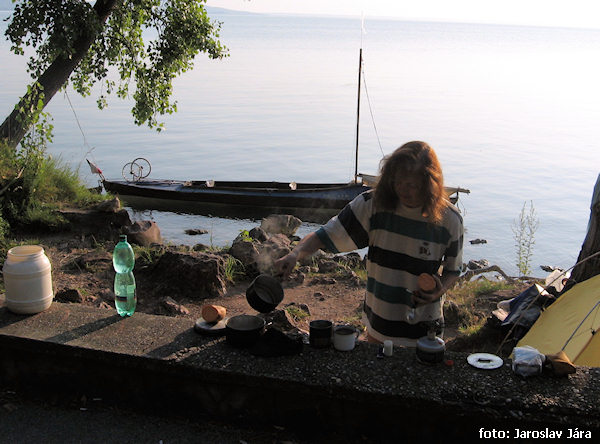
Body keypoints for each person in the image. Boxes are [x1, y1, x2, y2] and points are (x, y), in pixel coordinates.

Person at [274, 141, 464, 346]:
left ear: (430, 183)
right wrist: (295, 253)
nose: (403, 190)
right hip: (379, 321)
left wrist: (438, 290)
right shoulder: (373, 205)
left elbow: (453, 270)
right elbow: (325, 235)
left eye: (412, 184)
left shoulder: (450, 219)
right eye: (398, 182)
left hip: (425, 328)